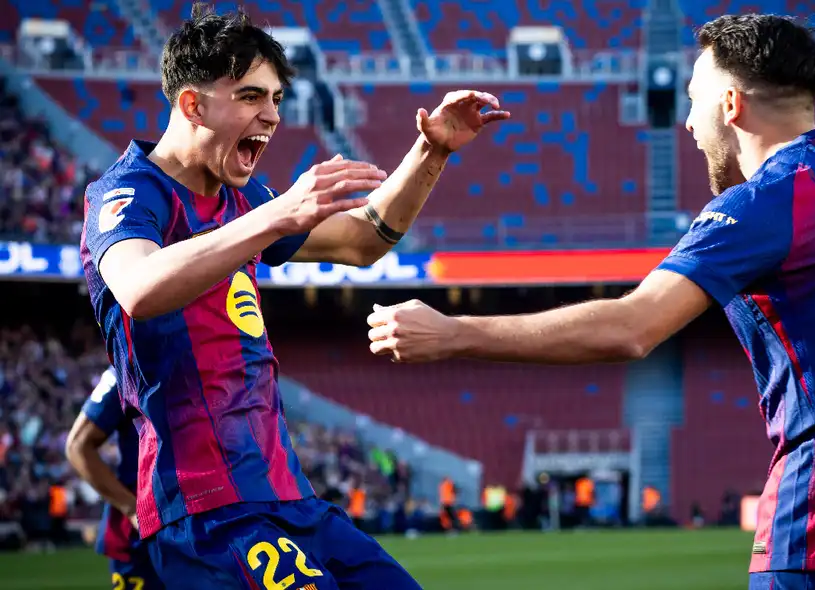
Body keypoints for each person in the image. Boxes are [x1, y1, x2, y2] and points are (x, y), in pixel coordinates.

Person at [367, 13, 815, 590]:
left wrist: (453, 333)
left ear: (730, 105)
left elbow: (632, 327)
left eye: (692, 100)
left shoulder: (770, 198)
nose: (686, 123)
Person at [79, 5, 509, 589]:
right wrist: (276, 215)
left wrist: (431, 152)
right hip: (206, 511)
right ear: (192, 104)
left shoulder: (244, 195)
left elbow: (363, 240)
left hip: (288, 499)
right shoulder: (129, 191)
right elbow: (139, 287)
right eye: (253, 96)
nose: (273, 116)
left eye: (277, 99)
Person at [66, 367, 165, 590]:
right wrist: (131, 509)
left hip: (199, 518)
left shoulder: (204, 359)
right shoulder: (124, 371)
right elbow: (77, 446)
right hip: (146, 534)